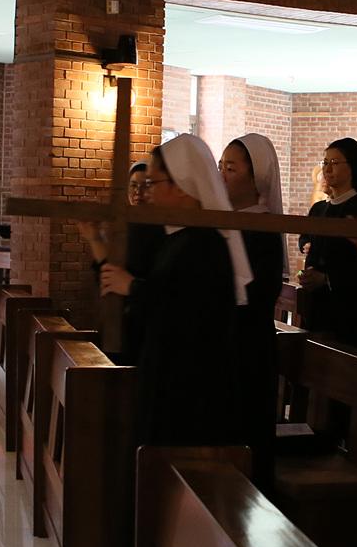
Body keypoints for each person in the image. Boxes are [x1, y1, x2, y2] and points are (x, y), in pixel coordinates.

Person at [100, 135, 250, 450]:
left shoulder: (206, 244)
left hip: (191, 388)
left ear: (181, 186)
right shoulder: (177, 239)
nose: (148, 192)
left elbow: (189, 312)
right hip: (167, 374)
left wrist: (133, 287)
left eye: (153, 183)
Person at [223, 134, 287, 490]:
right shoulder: (221, 222)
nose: (221, 174)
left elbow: (259, 294)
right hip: (224, 342)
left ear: (256, 176)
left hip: (249, 347)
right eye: (220, 166)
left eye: (231, 168)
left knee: (247, 435)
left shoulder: (264, 228)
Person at [297, 138, 357, 352]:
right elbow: (307, 241)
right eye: (325, 162)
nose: (327, 168)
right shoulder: (319, 209)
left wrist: (326, 278)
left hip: (346, 312)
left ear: (352, 167)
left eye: (334, 162)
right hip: (317, 309)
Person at [79, 160, 162, 362]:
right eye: (133, 186)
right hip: (118, 320)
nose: (138, 192)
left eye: (146, 185)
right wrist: (94, 237)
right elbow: (108, 273)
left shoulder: (162, 230)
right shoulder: (125, 227)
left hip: (145, 324)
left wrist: (130, 285)